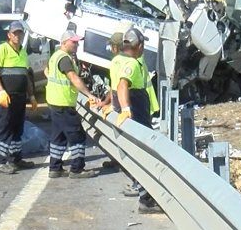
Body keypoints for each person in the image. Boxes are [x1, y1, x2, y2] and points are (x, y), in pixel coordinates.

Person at [108, 27, 163, 214]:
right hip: (137, 116)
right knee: (142, 158)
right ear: (138, 45)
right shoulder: (131, 64)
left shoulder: (124, 61)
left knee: (138, 158)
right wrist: (125, 108)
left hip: (138, 114)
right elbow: (122, 85)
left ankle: (145, 197)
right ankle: (146, 200)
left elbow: (116, 87)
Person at [46, 30, 98, 179]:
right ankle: (77, 169)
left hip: (55, 101)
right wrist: (89, 95)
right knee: (77, 135)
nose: (77, 44)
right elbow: (74, 78)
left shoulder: (56, 56)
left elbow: (47, 72)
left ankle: (55, 167)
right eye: (73, 42)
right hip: (63, 103)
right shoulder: (64, 59)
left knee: (59, 136)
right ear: (64, 43)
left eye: (77, 42)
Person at [0, 20, 38, 174]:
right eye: (15, 33)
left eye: (20, 33)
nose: (17, 36)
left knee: (18, 128)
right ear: (9, 35)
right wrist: (1, 91)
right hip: (7, 97)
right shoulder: (2, 49)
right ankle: (0, 162)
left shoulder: (23, 52)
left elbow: (26, 76)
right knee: (4, 128)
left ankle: (16, 159)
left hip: (19, 98)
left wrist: (31, 96)